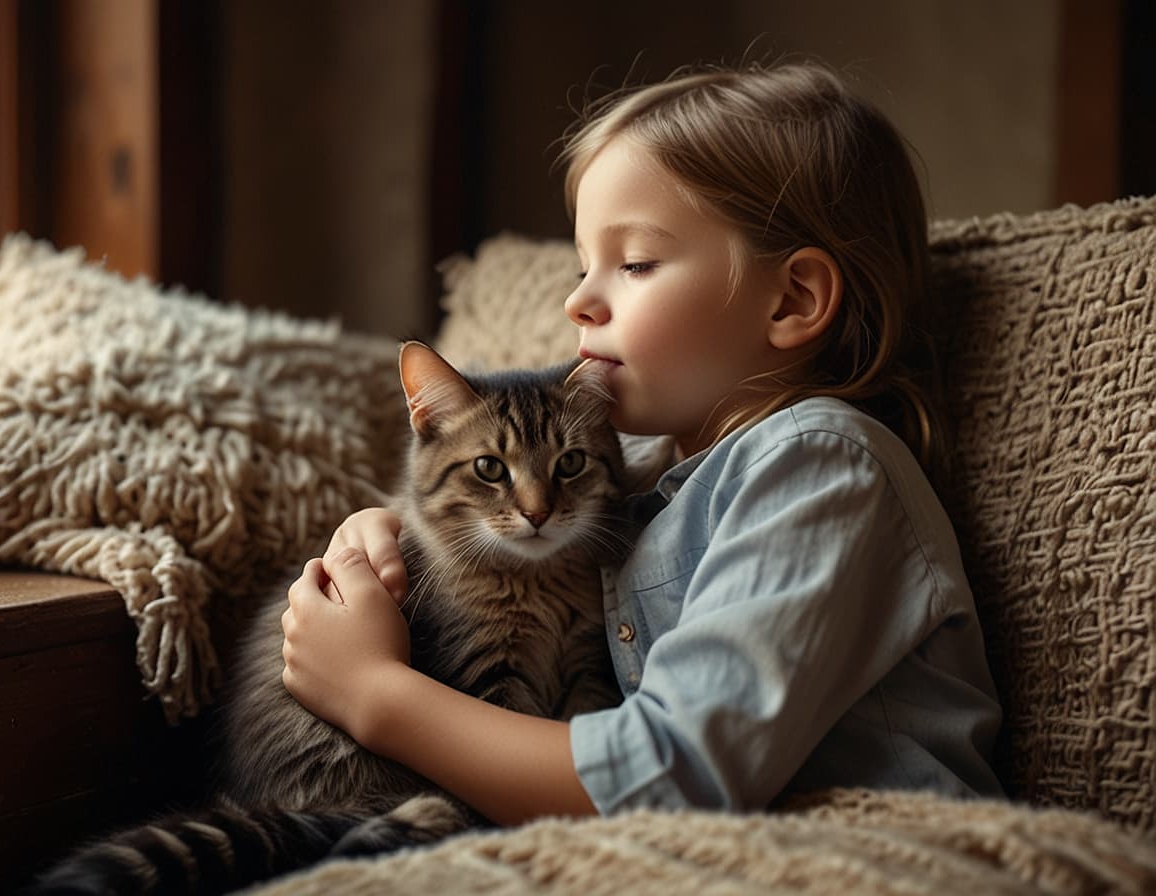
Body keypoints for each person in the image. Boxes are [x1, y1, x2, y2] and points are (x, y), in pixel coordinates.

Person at [279, 61, 1003, 826]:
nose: (577, 301)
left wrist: (376, 695)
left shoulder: (822, 465)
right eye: (583, 264)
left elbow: (670, 775)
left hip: (867, 849)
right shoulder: (650, 482)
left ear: (792, 300)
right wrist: (392, 534)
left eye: (634, 263)